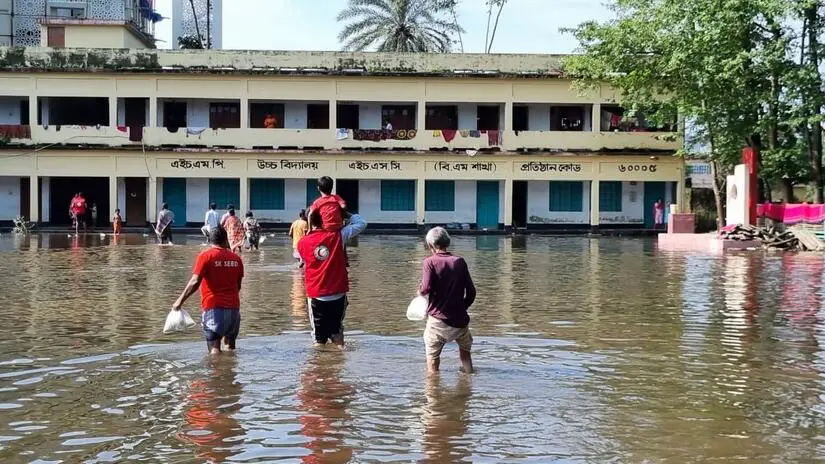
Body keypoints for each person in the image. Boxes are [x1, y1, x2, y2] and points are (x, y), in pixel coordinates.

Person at [298, 209, 367, 347]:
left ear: (309, 222)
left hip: (316, 295)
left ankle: (321, 365)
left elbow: (304, 262)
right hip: (338, 294)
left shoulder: (302, 243)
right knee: (337, 333)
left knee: (318, 340)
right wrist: (346, 213)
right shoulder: (338, 236)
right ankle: (340, 364)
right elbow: (361, 223)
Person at [172, 226, 244, 355]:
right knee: (230, 348)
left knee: (214, 349)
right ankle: (229, 373)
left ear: (210, 240)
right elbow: (238, 286)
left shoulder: (205, 256)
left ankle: (216, 374)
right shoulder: (236, 259)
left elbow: (195, 282)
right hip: (234, 309)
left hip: (213, 308)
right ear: (225, 239)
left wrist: (179, 301)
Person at [419, 227, 476, 374]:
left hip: (437, 321)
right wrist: (462, 308)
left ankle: (433, 391)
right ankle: (469, 381)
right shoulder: (459, 262)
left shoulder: (429, 262)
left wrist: (419, 291)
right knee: (465, 353)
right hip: (460, 320)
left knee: (432, 358)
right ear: (447, 243)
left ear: (431, 245)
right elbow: (471, 292)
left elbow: (425, 289)